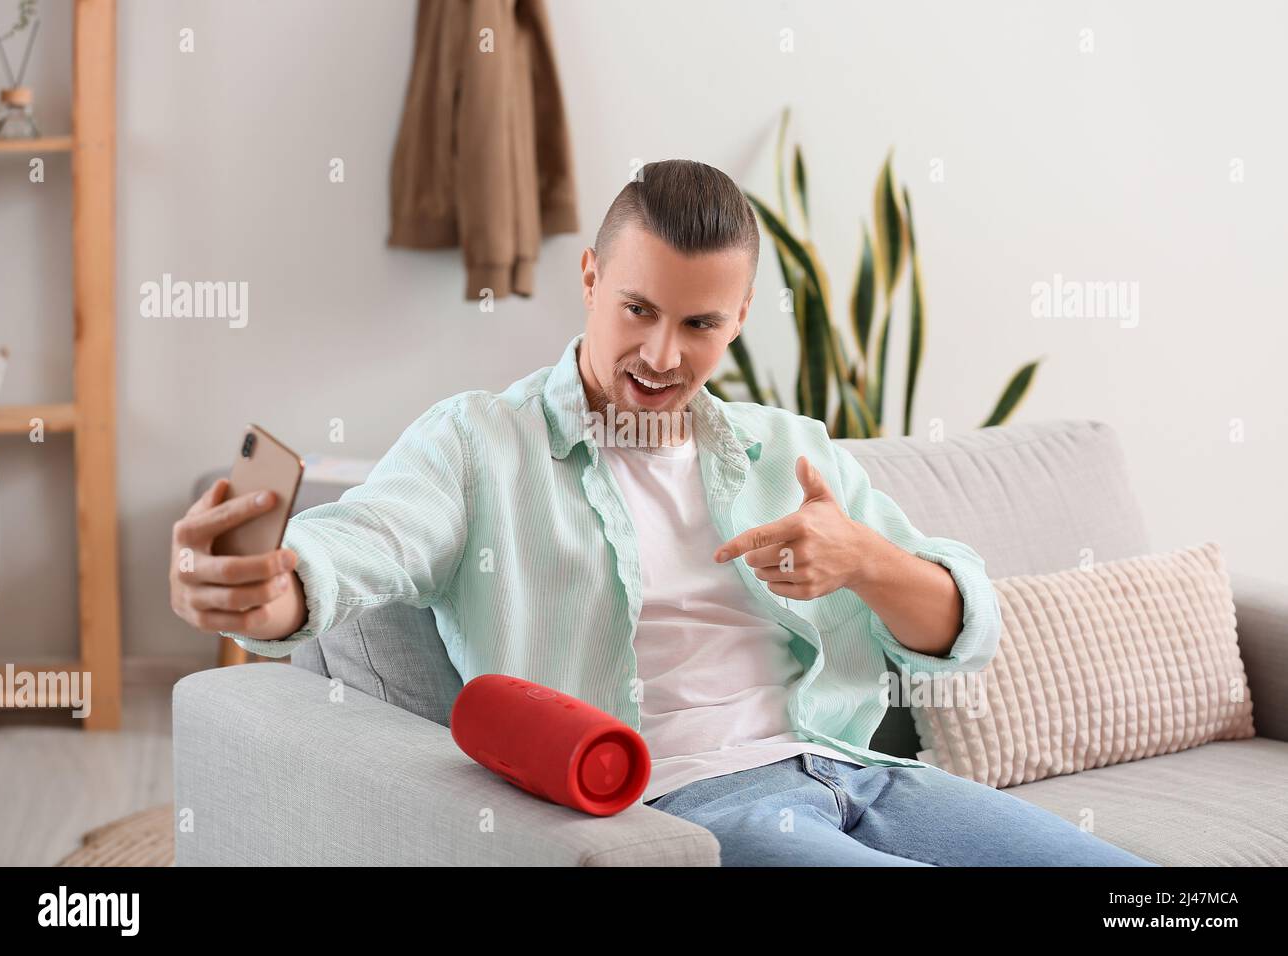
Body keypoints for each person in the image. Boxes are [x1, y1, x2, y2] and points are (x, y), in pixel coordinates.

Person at [168, 159, 1155, 867]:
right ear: (591, 279)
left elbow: (964, 628)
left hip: (863, 773)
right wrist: (271, 588)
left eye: (699, 324)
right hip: (691, 806)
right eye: (637, 309)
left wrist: (862, 557)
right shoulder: (481, 444)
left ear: (737, 316)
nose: (661, 353)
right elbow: (364, 543)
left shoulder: (787, 450)